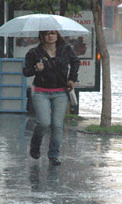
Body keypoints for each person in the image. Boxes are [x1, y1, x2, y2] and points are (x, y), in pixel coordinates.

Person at [23, 30, 80, 166]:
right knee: (44, 122)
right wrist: (36, 69)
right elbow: (26, 72)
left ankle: (53, 155)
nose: (50, 36)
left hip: (60, 92)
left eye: (53, 33)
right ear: (42, 36)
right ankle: (35, 146)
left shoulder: (66, 49)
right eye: (47, 33)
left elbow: (75, 62)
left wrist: (72, 78)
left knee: (57, 124)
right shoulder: (34, 52)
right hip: (40, 91)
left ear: (57, 35)